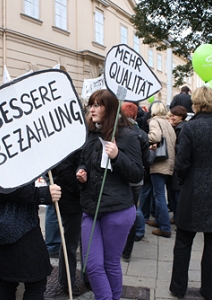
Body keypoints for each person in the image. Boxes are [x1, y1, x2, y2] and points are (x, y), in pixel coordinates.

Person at [76, 89, 143, 300]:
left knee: (110, 263)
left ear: (110, 109)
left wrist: (117, 156)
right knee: (92, 265)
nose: (92, 109)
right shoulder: (89, 134)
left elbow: (137, 174)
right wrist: (80, 172)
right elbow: (83, 161)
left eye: (97, 105)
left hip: (118, 210)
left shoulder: (128, 136)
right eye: (91, 104)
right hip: (90, 208)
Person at [169, 86, 212, 300]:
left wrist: (182, 181)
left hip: (193, 189)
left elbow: (182, 162)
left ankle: (178, 287)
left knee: (184, 241)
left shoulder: (190, 128)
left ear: (196, 103)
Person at [0, 180, 62, 300]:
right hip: (18, 230)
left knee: (9, 282)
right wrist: (41, 194)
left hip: (8, 229)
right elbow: (6, 186)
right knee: (33, 282)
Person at [120, 101, 154, 262]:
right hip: (135, 181)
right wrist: (152, 153)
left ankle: (116, 247)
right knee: (131, 213)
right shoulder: (141, 134)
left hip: (119, 178)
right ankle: (126, 251)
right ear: (134, 115)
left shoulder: (115, 131)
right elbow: (147, 160)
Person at [52, 150, 82, 295]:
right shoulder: (69, 143)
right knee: (70, 243)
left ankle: (74, 279)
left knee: (75, 242)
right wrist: (79, 189)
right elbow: (64, 171)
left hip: (79, 198)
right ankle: (67, 281)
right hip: (72, 199)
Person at [147, 101, 176, 238]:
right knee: (160, 195)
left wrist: (143, 138)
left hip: (159, 162)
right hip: (169, 162)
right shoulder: (167, 123)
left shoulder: (154, 121)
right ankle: (159, 221)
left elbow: (155, 137)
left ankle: (164, 227)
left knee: (159, 196)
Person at [167, 105, 187, 223]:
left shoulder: (182, 129)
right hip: (173, 165)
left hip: (177, 166)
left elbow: (182, 148)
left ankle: (179, 218)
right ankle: (176, 216)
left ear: (181, 116)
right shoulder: (175, 127)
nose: (172, 117)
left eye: (174, 115)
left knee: (177, 195)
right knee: (172, 193)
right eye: (171, 115)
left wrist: (172, 147)